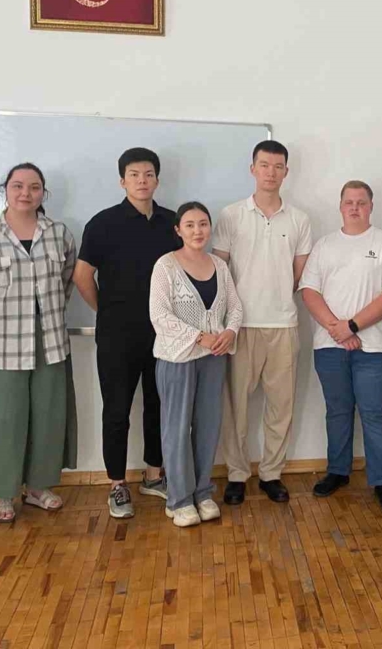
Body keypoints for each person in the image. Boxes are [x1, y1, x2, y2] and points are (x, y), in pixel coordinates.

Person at [0, 163, 79, 523]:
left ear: (43, 193)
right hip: (1, 345)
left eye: (35, 187)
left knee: (47, 417)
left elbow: (67, 279)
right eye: (18, 186)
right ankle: (4, 492)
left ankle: (38, 487)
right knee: (4, 419)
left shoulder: (58, 234)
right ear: (5, 190)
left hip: (50, 341)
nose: (26, 193)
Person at [73, 148, 180, 519]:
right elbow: (82, 276)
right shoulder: (103, 223)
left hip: (164, 334)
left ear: (157, 180)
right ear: (122, 181)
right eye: (134, 175)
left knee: (158, 405)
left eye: (148, 174)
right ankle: (117, 485)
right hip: (117, 336)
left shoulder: (172, 222)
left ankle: (154, 475)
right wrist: (106, 312)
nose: (142, 181)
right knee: (117, 410)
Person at [212, 140, 312, 506]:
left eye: (278, 166)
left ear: (286, 171)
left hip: (283, 325)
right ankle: (236, 474)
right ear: (252, 169)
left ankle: (272, 473)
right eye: (264, 165)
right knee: (236, 407)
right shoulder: (230, 215)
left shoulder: (299, 219)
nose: (271, 172)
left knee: (280, 406)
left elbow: (299, 274)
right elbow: (219, 270)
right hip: (240, 326)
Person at [299, 181, 382, 512]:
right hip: (329, 345)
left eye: (361, 202)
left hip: (376, 349)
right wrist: (338, 329)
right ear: (340, 206)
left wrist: (352, 326)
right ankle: (338, 471)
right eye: (349, 202)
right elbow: (309, 291)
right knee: (337, 410)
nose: (355, 207)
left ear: (371, 206)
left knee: (375, 413)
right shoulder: (324, 246)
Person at [149, 202, 242, 527]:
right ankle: (179, 499)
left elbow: (235, 307)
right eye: (189, 225)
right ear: (178, 230)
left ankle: (203, 493)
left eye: (203, 224)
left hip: (214, 359)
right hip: (177, 358)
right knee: (176, 428)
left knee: (208, 426)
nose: (197, 230)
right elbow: (159, 314)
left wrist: (229, 332)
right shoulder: (166, 266)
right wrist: (200, 337)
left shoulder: (219, 265)